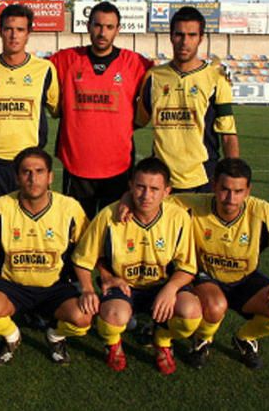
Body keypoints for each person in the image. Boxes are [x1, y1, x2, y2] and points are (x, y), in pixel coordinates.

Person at [167, 158, 269, 369]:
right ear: (214, 185)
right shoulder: (192, 205)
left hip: (244, 280)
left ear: (248, 191)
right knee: (215, 306)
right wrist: (126, 200)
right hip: (206, 278)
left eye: (239, 191)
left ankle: (244, 338)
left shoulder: (262, 213)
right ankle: (202, 340)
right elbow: (152, 199)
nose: (231, 198)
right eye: (224, 189)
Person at [72, 157, 201, 375]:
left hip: (161, 285)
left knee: (191, 313)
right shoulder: (109, 216)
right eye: (140, 187)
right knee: (114, 316)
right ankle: (113, 343)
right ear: (130, 186)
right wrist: (89, 287)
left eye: (154, 189)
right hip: (123, 286)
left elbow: (188, 267)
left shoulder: (178, 218)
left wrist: (171, 289)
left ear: (167, 191)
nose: (146, 195)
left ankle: (162, 339)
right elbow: (82, 258)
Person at [0, 147, 90, 365]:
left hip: (56, 287)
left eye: (39, 171)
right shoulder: (2, 206)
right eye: (26, 172)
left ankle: (55, 335)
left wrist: (95, 284)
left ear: (50, 176)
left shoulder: (70, 208)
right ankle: (11, 336)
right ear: (17, 177)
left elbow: (88, 250)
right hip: (12, 285)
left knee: (83, 318)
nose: (33, 178)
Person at [50, 1, 152, 218]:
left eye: (109, 27)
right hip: (76, 166)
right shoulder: (66, 59)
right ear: (88, 26)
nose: (102, 32)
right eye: (97, 26)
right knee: (76, 236)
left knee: (114, 234)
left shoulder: (135, 63)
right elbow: (31, 70)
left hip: (119, 167)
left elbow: (168, 76)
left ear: (118, 29)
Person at [0, 4, 59, 223]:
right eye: (9, 29)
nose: (14, 35)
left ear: (29, 33)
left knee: (28, 225)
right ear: (0, 31)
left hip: (30, 164)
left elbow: (56, 109)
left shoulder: (44, 69)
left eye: (20, 30)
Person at [136, 6, 240, 192]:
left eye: (192, 35)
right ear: (170, 36)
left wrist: (234, 181)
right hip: (161, 183)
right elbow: (136, 122)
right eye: (179, 35)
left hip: (203, 179)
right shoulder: (153, 77)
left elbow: (228, 136)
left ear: (201, 38)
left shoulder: (216, 78)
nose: (185, 42)